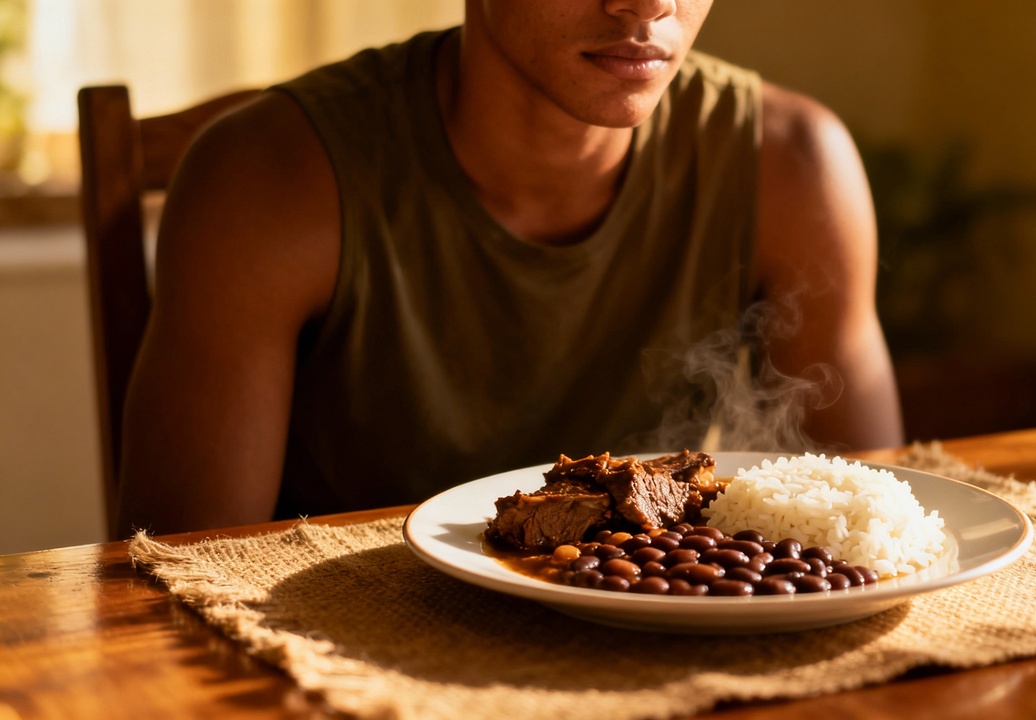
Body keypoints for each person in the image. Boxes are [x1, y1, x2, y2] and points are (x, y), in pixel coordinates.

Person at [114, 0, 903, 537]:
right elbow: (183, 575)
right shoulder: (268, 180)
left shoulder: (791, 164)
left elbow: (865, 521)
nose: (647, 2)